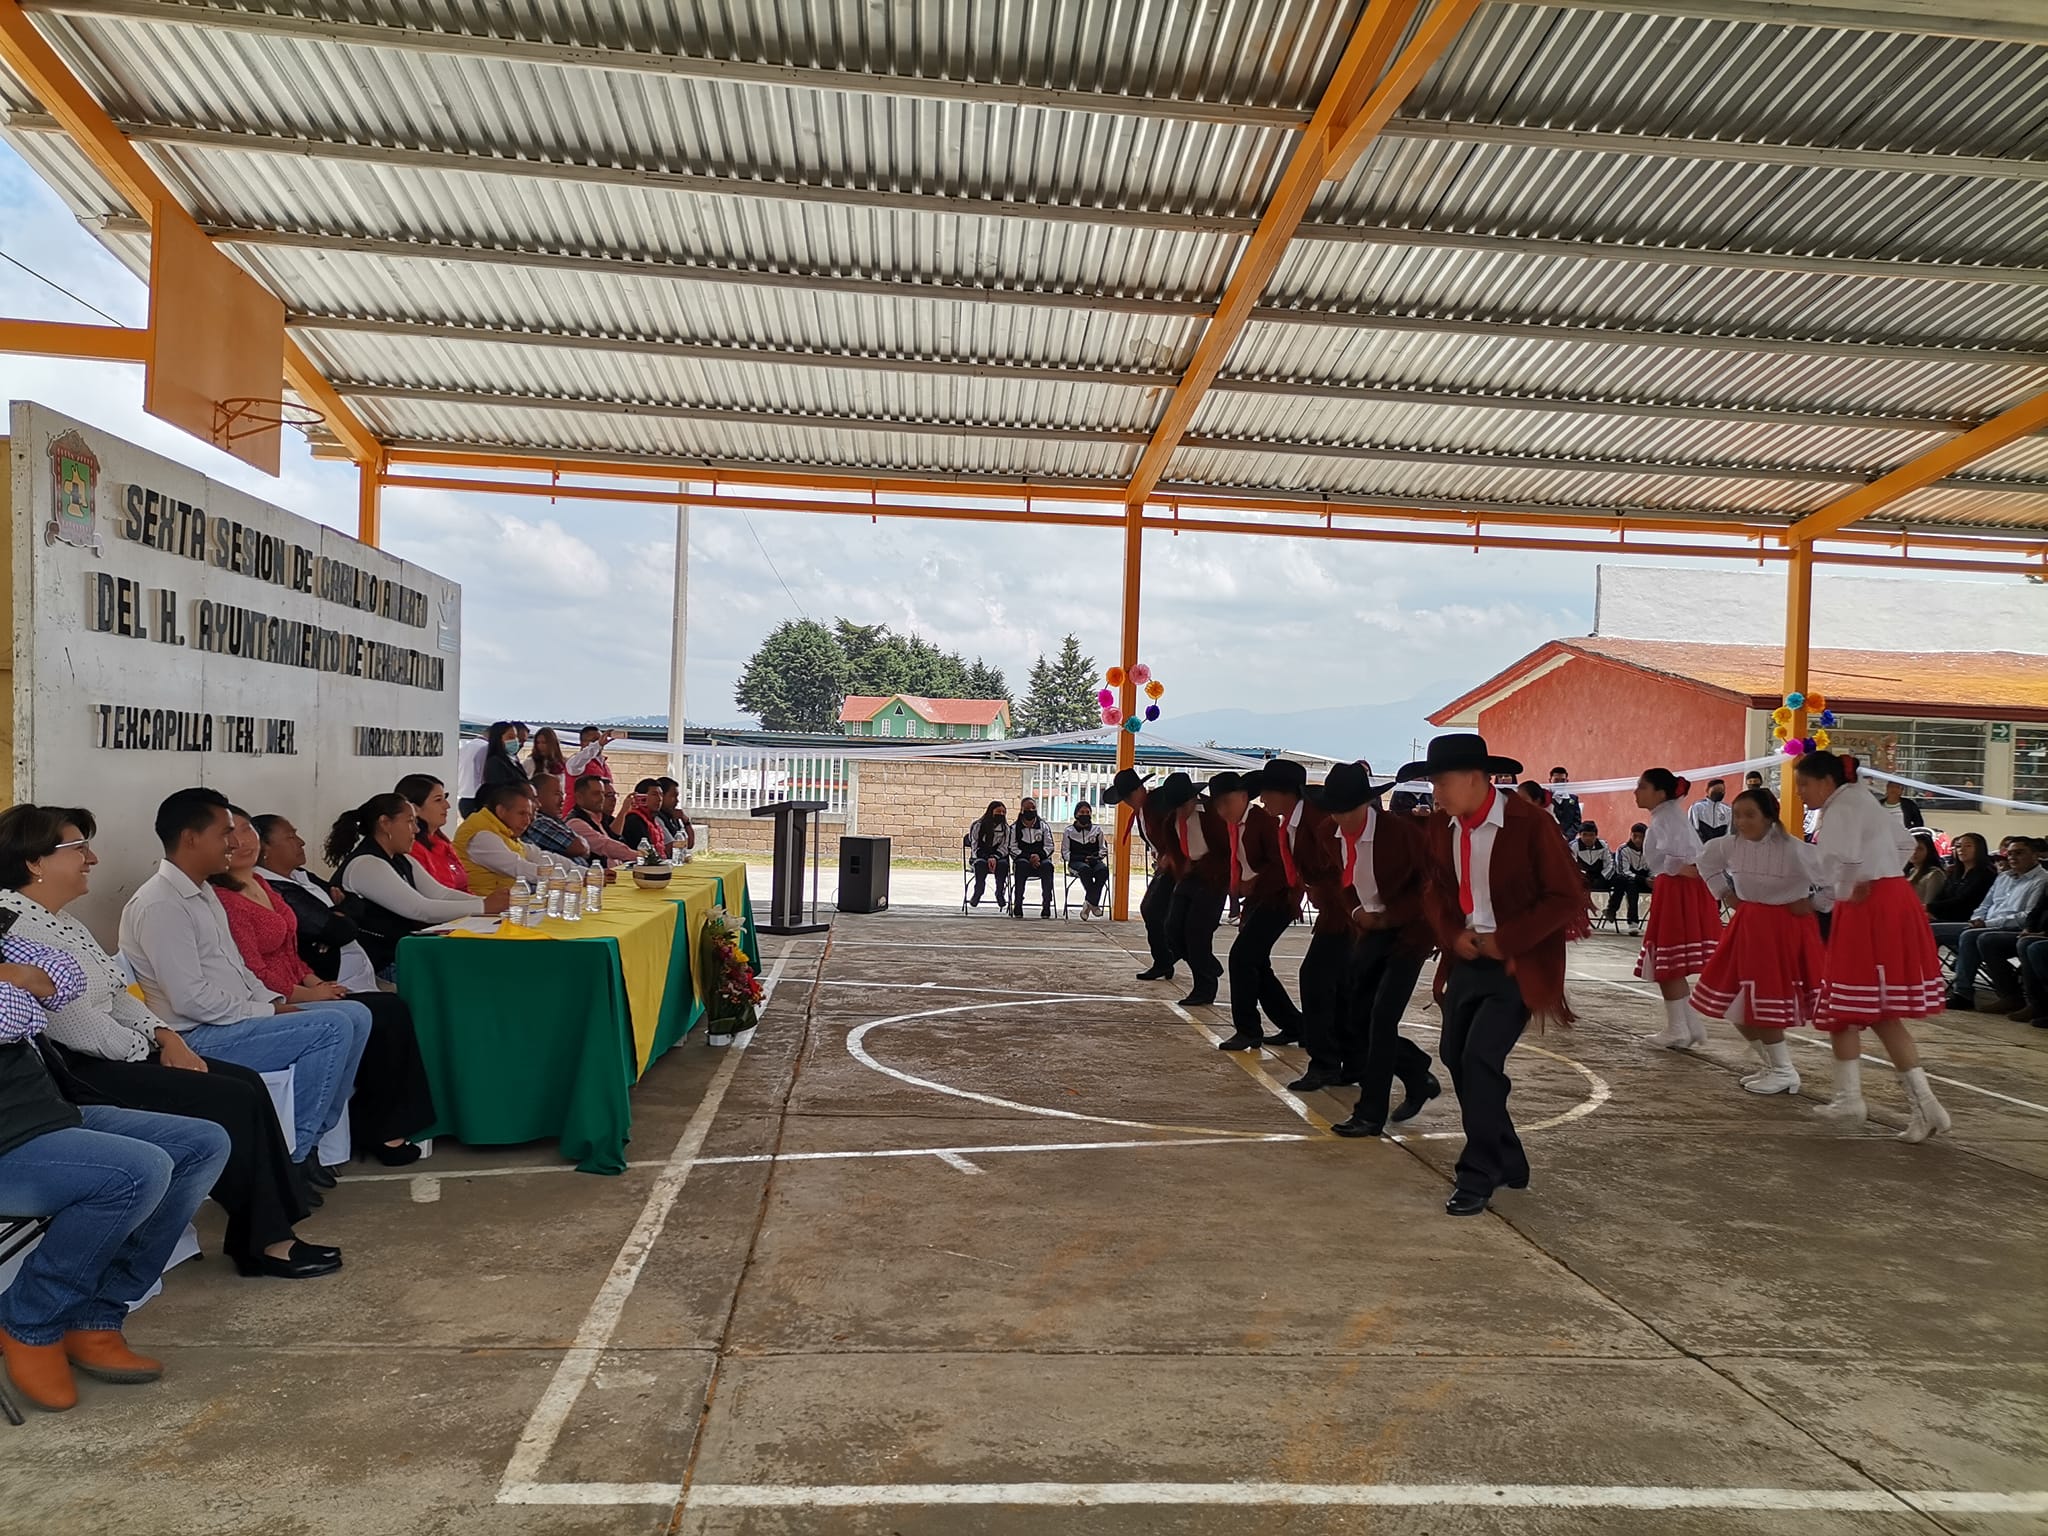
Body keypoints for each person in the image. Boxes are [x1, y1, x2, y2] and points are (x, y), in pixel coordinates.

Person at [0, 806, 335, 1282]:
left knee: (243, 1084)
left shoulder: (62, 921)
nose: (92, 859)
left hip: (121, 1050)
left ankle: (267, 1233)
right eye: (79, 849)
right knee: (229, 1098)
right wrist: (154, 1052)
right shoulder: (15, 924)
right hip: (78, 1072)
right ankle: (267, 1241)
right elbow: (75, 1028)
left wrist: (164, 1035)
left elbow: (117, 994)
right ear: (35, 862)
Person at [0, 944, 231, 1412]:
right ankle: (28, 1319)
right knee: (136, 1172)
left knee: (202, 1144)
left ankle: (95, 1314)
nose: (91, 863)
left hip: (46, 1114)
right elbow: (15, 1016)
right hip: (8, 1142)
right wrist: (20, 982)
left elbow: (64, 978)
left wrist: (21, 979)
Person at [118, 789, 370, 1183]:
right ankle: (293, 1158)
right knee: (331, 1027)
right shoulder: (161, 904)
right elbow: (190, 999)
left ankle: (310, 1141)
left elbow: (238, 971)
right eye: (225, 833)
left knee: (356, 1014)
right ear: (191, 838)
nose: (234, 843)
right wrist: (268, 1010)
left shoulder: (202, 891)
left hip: (233, 1020)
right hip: (197, 1036)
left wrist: (272, 1001)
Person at [1406, 733, 1587, 1216]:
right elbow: (1435, 889)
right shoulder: (1443, 827)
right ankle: (1509, 1158)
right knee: (1456, 1056)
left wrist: (1505, 941)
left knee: (1481, 1059)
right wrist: (1452, 934)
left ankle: (1477, 1172)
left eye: (1440, 783)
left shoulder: (1530, 824)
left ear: (1474, 777)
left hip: (1517, 964)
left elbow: (1566, 897)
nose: (1436, 794)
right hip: (1467, 958)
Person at [214, 808, 435, 1167]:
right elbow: (254, 967)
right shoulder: (224, 899)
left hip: (307, 982)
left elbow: (293, 948)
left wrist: (315, 981)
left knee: (391, 1009)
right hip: (270, 1000)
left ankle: (384, 1125)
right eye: (231, 833)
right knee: (377, 1014)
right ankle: (326, 1142)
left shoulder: (264, 885)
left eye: (245, 830)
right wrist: (305, 994)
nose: (241, 841)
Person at [1798, 752, 1950, 1140]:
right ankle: (1923, 1105)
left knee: (1853, 1006)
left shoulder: (1840, 809)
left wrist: (1849, 887)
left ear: (1826, 782)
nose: (1800, 793)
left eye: (1803, 784)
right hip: (1888, 899)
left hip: (1868, 909)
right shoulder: (1864, 800)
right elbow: (1904, 845)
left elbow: (1842, 861)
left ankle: (1856, 1100)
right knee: (1875, 1010)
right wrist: (1880, 874)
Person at [1317, 762, 1441, 1139]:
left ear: (1369, 805)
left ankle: (1370, 1114)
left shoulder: (1401, 834)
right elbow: (1340, 879)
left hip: (1412, 931)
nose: (1341, 819)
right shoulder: (1329, 833)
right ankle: (1417, 1072)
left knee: (1382, 1016)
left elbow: (1430, 884)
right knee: (1357, 1016)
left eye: (1348, 810)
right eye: (1335, 810)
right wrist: (1356, 911)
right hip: (1370, 929)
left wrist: (1389, 919)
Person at [1685, 787, 1827, 1096]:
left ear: (1769, 817)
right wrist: (1725, 893)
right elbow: (1707, 862)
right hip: (1747, 926)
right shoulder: (1730, 845)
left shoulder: (1795, 850)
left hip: (1782, 930)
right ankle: (1774, 1065)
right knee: (1735, 1002)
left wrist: (1813, 903)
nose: (1742, 822)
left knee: (1764, 999)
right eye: (1737, 816)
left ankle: (1784, 1070)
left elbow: (1836, 879)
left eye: (1750, 815)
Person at [331, 794, 507, 972]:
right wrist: (483, 906)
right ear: (385, 823)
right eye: (410, 821)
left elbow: (441, 894)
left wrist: (492, 903)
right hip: (379, 964)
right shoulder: (366, 864)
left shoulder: (403, 859)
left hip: (401, 954)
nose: (416, 830)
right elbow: (420, 910)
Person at [1257, 759, 1345, 1087]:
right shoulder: (1289, 823)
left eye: (1266, 793)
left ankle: (1327, 1061)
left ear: (1283, 794)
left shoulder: (1315, 820)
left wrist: (1332, 900)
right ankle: (1335, 1060)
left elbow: (1339, 868)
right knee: (1334, 987)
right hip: (1332, 911)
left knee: (1318, 979)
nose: (1262, 800)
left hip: (1346, 913)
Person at [1214, 770, 1304, 1052]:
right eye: (1218, 805)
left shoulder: (1262, 822)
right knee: (1256, 964)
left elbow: (1283, 865)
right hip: (1257, 900)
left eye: (1227, 802)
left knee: (1241, 958)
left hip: (1277, 899)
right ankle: (1295, 1026)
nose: (1222, 810)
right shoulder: (1235, 825)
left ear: (1243, 797)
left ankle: (1248, 1030)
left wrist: (1253, 883)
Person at [1633, 768, 1721, 1049]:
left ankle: (1678, 1028)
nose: (1636, 792)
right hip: (1679, 888)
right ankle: (1689, 1026)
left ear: (1660, 793)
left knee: (1667, 962)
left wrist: (1676, 872)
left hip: (1676, 890)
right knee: (1672, 963)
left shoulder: (1665, 819)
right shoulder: (1669, 816)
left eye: (1642, 787)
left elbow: (1679, 860)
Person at [252, 815, 378, 994]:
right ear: (264, 848)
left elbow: (356, 902)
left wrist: (337, 914)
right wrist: (337, 919)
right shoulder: (274, 889)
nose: (301, 842)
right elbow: (338, 931)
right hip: (333, 982)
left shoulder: (301, 875)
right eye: (290, 837)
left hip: (361, 975)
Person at [1938, 837, 2044, 1012]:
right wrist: (1977, 919)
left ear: (2035, 855)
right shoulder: (2003, 877)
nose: (2012, 857)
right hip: (1983, 924)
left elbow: (2026, 917)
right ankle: (1923, 983)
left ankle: (1964, 993)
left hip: (2011, 928)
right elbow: (1985, 904)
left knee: (1976, 937)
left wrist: (1985, 923)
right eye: (2009, 853)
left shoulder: (2041, 880)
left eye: (2019, 853)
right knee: (1929, 930)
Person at [1155, 774, 1229, 1007]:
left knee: (1197, 932)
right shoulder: (1171, 822)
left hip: (1214, 876)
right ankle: (1208, 965)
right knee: (1172, 928)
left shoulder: (1212, 814)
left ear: (1192, 799)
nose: (1181, 812)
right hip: (1189, 876)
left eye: (1183, 805)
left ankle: (1204, 988)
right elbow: (1176, 851)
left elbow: (1226, 848)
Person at [1107, 769, 1176, 981]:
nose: (1127, 801)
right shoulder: (1142, 811)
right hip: (1166, 866)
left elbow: (1175, 829)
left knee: (1159, 912)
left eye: (1129, 796)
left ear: (1140, 789)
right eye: (1124, 798)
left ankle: (1172, 958)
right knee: (1152, 910)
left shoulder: (1158, 803)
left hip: (1177, 865)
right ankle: (1164, 960)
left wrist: (1171, 854)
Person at [455, 781, 573, 896]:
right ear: (501, 811)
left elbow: (540, 856)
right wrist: (566, 880)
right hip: (484, 908)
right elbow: (518, 867)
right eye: (521, 814)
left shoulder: (503, 831)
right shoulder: (481, 835)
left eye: (529, 815)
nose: (527, 821)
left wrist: (580, 872)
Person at [396, 774, 468, 893]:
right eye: (438, 800)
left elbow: (463, 887)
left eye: (445, 799)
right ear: (414, 809)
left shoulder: (441, 841)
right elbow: (434, 897)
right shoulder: (410, 848)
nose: (447, 806)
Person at [1926, 832, 1996, 924]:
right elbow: (1941, 896)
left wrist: (1929, 907)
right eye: (1958, 846)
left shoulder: (1986, 874)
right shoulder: (1955, 873)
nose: (1961, 850)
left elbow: (1964, 901)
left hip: (1965, 919)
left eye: (1968, 846)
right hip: (1944, 916)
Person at [568, 774, 641, 863]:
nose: (601, 798)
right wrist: (640, 856)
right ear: (579, 797)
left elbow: (614, 839)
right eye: (596, 794)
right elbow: (605, 845)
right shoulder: (576, 823)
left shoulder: (600, 818)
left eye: (603, 794)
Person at [1007, 798, 1057, 918]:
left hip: (1041, 859)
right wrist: (1029, 857)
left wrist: (1038, 856)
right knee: (1021, 865)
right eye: (1028, 809)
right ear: (1022, 810)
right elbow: (1012, 847)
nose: (1031, 810)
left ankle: (1046, 904)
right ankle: (1018, 903)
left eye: (1033, 808)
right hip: (1023, 859)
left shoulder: (1043, 826)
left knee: (1048, 866)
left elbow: (1050, 846)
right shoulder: (1014, 828)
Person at [1063, 801, 1109, 917]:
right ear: (1076, 814)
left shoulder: (1097, 830)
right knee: (1085, 870)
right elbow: (1065, 853)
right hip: (1076, 863)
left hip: (1094, 861)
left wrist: (1096, 858)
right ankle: (1094, 903)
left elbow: (1103, 849)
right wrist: (1081, 858)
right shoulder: (1069, 831)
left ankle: (1089, 902)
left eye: (1087, 812)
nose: (1085, 814)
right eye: (1081, 812)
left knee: (1103, 871)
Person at [965, 801, 1010, 910]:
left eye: (1004, 812)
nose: (1001, 814)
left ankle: (1000, 893)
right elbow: (975, 846)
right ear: (991, 811)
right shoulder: (978, 826)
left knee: (1003, 865)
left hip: (998, 857)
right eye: (998, 812)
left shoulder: (1005, 829)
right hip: (980, 856)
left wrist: (995, 857)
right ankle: (978, 891)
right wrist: (987, 858)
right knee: (980, 864)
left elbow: (1005, 846)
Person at [1607, 824, 1652, 931]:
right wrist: (1642, 879)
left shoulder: (1651, 851)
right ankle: (1633, 922)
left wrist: (1653, 879)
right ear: (1630, 835)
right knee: (1630, 886)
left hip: (1646, 880)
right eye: (1635, 836)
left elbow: (1654, 867)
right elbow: (1623, 871)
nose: (1637, 840)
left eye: (1641, 837)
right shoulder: (1623, 849)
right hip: (1629, 880)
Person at [614, 779, 671, 859]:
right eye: (654, 794)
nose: (660, 799)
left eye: (661, 795)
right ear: (641, 797)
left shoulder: (653, 819)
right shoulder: (634, 820)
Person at [1904, 832, 1948, 910]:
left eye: (1920, 849)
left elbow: (1929, 904)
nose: (1914, 852)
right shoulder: (1911, 871)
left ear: (1928, 851)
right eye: (1911, 848)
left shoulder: (1934, 874)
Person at [1570, 821, 1611, 901]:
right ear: (1579, 835)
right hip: (1581, 877)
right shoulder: (1573, 846)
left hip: (1599, 876)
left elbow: (1610, 864)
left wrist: (1603, 876)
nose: (1588, 838)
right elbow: (1571, 866)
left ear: (1596, 835)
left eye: (1591, 835)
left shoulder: (1603, 845)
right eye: (1584, 835)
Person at [654, 778, 696, 854]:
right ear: (661, 796)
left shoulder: (673, 815)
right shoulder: (657, 818)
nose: (677, 801)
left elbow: (690, 844)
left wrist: (686, 821)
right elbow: (671, 849)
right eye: (673, 796)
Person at [1690, 779, 1733, 843]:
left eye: (1721, 791)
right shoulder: (1697, 807)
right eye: (1715, 790)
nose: (1718, 793)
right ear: (1707, 790)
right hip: (1701, 847)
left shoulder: (1728, 810)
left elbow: (1728, 832)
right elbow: (1692, 829)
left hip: (1720, 847)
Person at [1547, 767, 1582, 841]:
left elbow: (1577, 821)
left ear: (1567, 781)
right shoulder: (1545, 798)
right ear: (1550, 781)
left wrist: (1568, 837)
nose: (1559, 784)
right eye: (1556, 781)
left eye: (1562, 781)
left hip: (1568, 841)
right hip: (1549, 838)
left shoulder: (1573, 799)